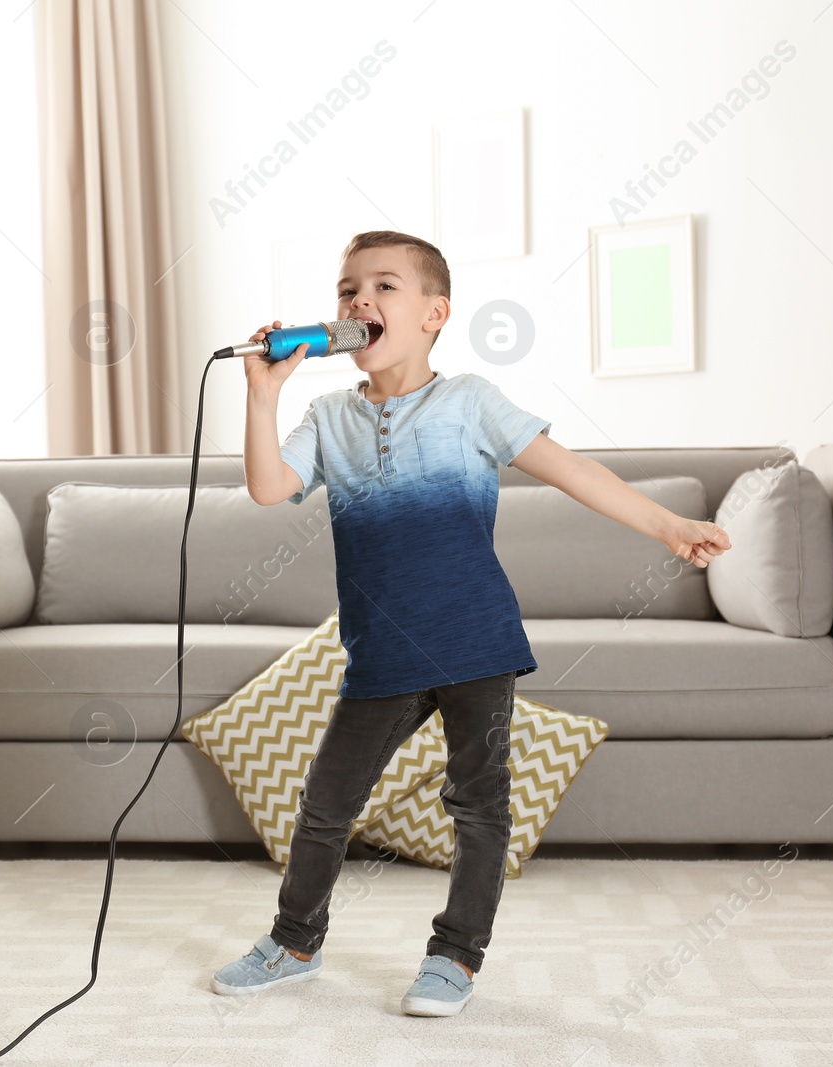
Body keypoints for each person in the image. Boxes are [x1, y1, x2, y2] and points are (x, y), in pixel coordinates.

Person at [210, 230, 731, 1017]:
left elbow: (573, 470)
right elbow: (267, 486)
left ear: (434, 312)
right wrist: (261, 391)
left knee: (479, 806)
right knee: (325, 803)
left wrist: (666, 525)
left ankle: (454, 956)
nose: (359, 302)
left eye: (384, 287)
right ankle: (293, 940)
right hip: (380, 654)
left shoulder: (471, 403)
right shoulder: (328, 416)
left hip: (474, 643)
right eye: (347, 289)